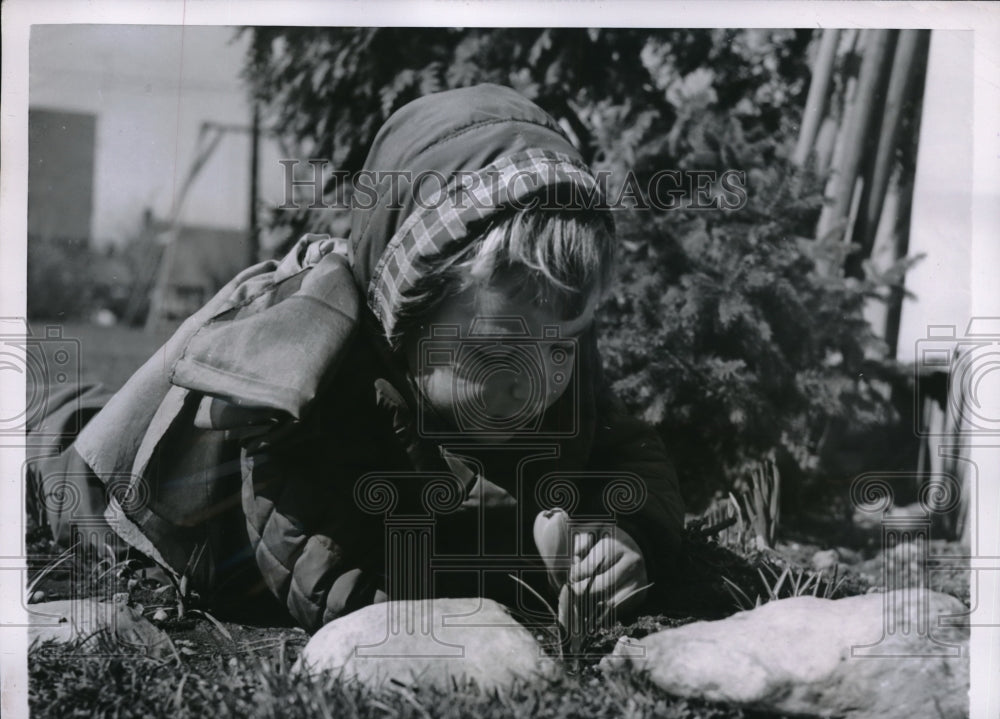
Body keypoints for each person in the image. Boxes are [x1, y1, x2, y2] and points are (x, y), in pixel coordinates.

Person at [34, 83, 685, 633]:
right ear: (407, 317)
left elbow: (636, 462)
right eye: (495, 349)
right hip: (182, 504)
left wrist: (630, 538)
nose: (534, 383)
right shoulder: (322, 384)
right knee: (52, 455)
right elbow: (320, 571)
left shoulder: (557, 371)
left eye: (559, 345)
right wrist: (453, 618)